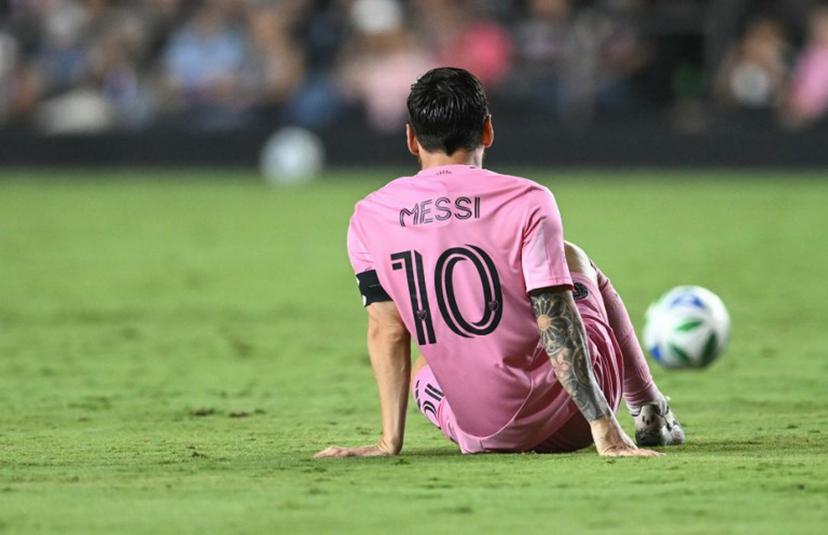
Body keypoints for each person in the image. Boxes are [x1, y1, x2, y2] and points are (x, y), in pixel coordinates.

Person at [315, 67, 683, 459]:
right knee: (572, 257)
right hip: (570, 422)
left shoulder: (370, 215)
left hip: (481, 435)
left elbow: (387, 331)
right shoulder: (528, 199)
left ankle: (424, 431)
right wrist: (603, 427)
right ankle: (649, 409)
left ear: (410, 139)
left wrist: (389, 443)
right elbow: (555, 317)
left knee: (427, 367)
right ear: (488, 131)